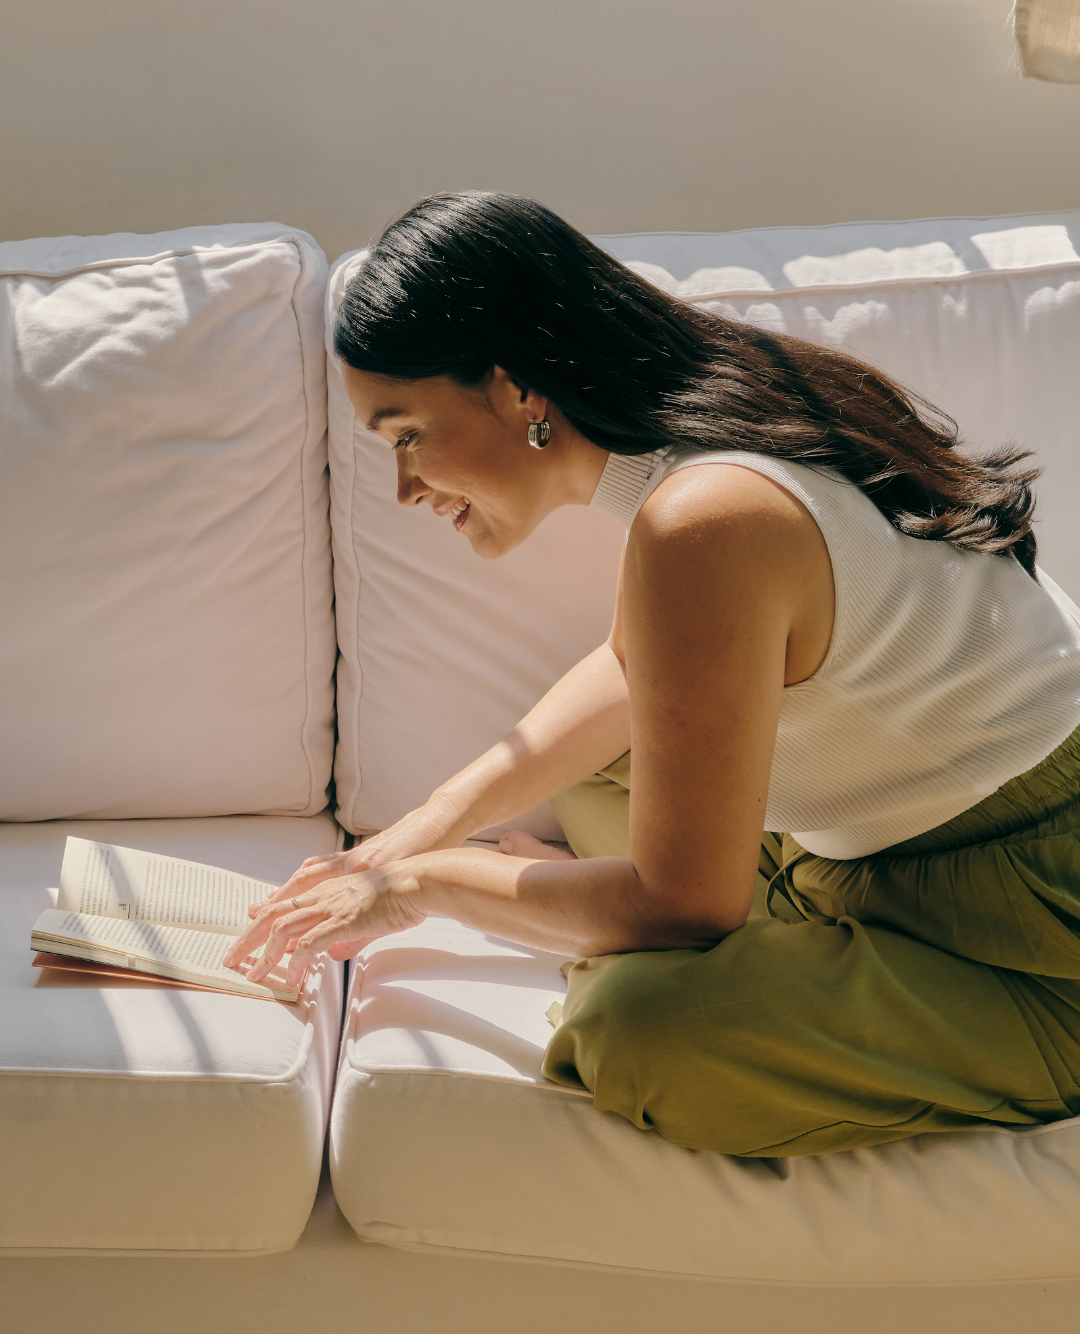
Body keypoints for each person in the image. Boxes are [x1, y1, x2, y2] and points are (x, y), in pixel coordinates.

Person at [224, 191, 1080, 1157]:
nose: (406, 487)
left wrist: (417, 885)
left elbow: (685, 906)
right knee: (599, 767)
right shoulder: (712, 435)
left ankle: (664, 933)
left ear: (514, 388)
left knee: (635, 1032)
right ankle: (704, 921)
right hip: (856, 849)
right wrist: (410, 833)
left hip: (1033, 920)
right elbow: (637, 670)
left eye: (407, 434)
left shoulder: (708, 516)